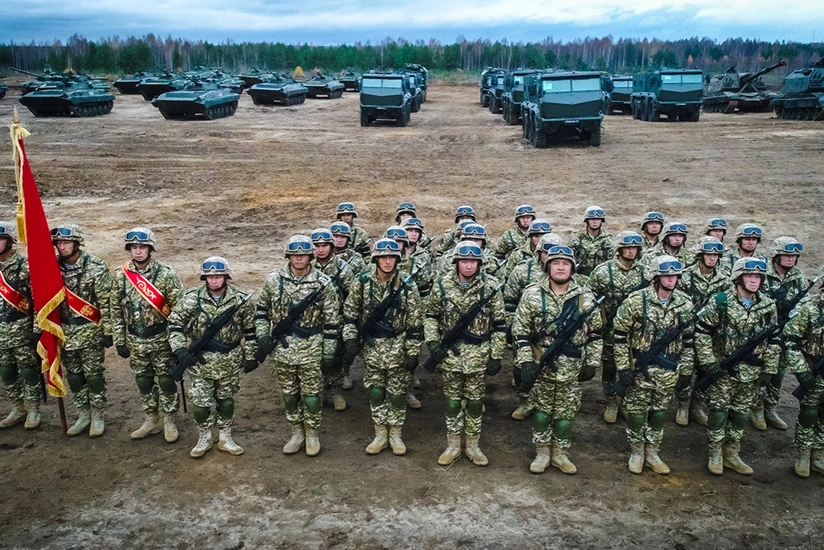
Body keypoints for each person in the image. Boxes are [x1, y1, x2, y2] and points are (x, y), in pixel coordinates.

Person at [511, 245, 602, 474]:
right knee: (541, 412)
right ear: (547, 266)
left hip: (571, 367)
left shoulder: (585, 297)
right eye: (556, 263)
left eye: (566, 263)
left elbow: (596, 334)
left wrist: (592, 362)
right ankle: (542, 453)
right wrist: (526, 361)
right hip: (541, 364)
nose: (561, 267)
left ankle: (560, 454)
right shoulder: (532, 293)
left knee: (565, 415)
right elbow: (520, 331)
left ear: (572, 267)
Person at [255, 236, 340, 456]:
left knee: (312, 394)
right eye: (295, 255)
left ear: (311, 256)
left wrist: (329, 351)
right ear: (289, 256)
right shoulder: (274, 280)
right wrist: (263, 335)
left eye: (303, 254)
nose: (299, 258)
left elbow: (332, 321)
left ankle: (312, 433)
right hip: (282, 349)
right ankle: (296, 433)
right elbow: (262, 311)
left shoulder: (323, 283)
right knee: (290, 394)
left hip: (312, 346)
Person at [694, 258, 779, 475]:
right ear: (738, 277)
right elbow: (702, 333)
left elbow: (775, 340)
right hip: (723, 369)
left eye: (758, 276)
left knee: (741, 413)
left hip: (752, 371)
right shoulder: (720, 301)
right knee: (719, 412)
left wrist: (769, 368)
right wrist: (709, 362)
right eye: (749, 276)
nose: (754, 280)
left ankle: (732, 452)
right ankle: (715, 453)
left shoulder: (768, 305)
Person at [425, 241, 506, 466]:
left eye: (472, 261)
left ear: (478, 263)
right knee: (452, 402)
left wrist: (496, 355)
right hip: (450, 355)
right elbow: (431, 315)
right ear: (457, 262)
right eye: (464, 261)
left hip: (479, 355)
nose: (468, 266)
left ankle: (472, 446)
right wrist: (432, 342)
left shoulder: (491, 286)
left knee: (474, 402)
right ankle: (452, 445)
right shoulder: (442, 284)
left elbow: (499, 324)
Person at [613, 255, 694, 475]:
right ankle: (637, 452)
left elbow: (688, 340)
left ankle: (653, 452)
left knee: (659, 413)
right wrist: (623, 368)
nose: (671, 280)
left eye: (675, 276)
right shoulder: (635, 301)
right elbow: (620, 337)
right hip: (640, 369)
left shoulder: (684, 303)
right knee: (637, 412)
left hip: (668, 370)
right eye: (666, 275)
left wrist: (686, 369)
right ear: (656, 277)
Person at [169, 257, 256, 458]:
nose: (214, 281)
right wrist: (180, 349)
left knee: (226, 401)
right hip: (200, 362)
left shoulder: (240, 300)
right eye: (210, 277)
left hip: (230, 361)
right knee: (200, 405)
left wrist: (251, 355)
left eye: (218, 276)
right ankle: (204, 436)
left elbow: (251, 332)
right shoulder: (191, 298)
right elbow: (175, 325)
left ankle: (225, 437)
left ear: (226, 277)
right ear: (204, 278)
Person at [342, 238, 422, 455]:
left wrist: (413, 351)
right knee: (376, 391)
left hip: (398, 345)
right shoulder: (362, 281)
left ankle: (395, 434)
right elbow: (350, 313)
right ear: (376, 258)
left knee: (397, 392)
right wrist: (350, 338)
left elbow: (415, 322)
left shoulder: (407, 284)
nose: (388, 261)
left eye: (392, 257)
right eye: (384, 257)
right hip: (371, 346)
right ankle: (380, 433)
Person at [111, 228, 184, 442]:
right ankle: (152, 418)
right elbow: (115, 309)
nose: (138, 251)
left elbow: (179, 309)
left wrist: (177, 340)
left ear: (150, 249)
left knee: (166, 380)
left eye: (142, 247)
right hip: (135, 340)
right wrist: (119, 339)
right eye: (133, 247)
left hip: (162, 339)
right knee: (143, 381)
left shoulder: (165, 274)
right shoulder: (121, 275)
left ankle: (169, 419)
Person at [52, 224, 113, 438]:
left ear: (77, 243)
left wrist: (109, 330)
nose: (62, 246)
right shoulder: (51, 268)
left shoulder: (95, 266)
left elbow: (106, 302)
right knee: (75, 376)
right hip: (64, 333)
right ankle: (82, 414)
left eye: (66, 242)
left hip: (90, 331)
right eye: (59, 243)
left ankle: (97, 415)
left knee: (94, 376)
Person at [588, 230, 646, 424]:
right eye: (627, 247)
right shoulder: (603, 271)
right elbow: (590, 299)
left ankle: (627, 402)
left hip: (637, 330)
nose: (631, 251)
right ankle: (611, 401)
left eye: (634, 248)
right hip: (610, 328)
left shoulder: (644, 272)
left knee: (634, 365)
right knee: (610, 365)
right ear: (619, 249)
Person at [505, 233, 562, 421]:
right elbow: (510, 301)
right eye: (547, 252)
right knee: (522, 366)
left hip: (556, 332)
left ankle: (549, 404)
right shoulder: (522, 271)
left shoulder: (565, 272)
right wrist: (511, 326)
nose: (551, 257)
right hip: (526, 329)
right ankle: (525, 401)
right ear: (539, 252)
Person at [753, 237, 807, 431]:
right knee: (761, 369)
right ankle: (757, 408)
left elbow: (804, 300)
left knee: (779, 370)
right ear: (777, 255)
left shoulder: (798, 276)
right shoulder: (762, 273)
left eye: (794, 256)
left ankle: (770, 407)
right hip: (763, 330)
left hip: (786, 331)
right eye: (787, 255)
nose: (791, 259)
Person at [676, 236, 729, 426]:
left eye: (716, 255)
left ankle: (696, 405)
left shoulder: (724, 279)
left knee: (706, 369)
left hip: (711, 333)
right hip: (688, 330)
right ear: (700, 255)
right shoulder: (685, 276)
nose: (713, 258)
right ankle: (682, 404)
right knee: (687, 368)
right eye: (709, 254)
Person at [782, 265, 824, 477]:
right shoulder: (809, 308)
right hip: (813, 371)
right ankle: (803, 455)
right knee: (809, 413)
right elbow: (791, 342)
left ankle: (818, 454)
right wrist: (801, 371)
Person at [0, 222, 42, 430]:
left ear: (9, 240)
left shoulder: (25, 267)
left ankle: (33, 409)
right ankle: (17, 407)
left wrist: (36, 328)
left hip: (22, 329)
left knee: (28, 371)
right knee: (6, 371)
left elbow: (38, 301)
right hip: (0, 331)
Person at [311, 228, 355, 412]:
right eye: (317, 246)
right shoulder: (307, 267)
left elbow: (352, 294)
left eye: (324, 246)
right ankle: (319, 390)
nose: (321, 250)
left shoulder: (342, 267)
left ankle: (336, 391)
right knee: (314, 359)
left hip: (336, 320)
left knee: (335, 357)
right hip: (312, 322)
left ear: (330, 246)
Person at [388, 223, 431, 408]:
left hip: (408, 317)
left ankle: (406, 392)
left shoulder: (416, 263)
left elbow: (424, 291)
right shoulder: (376, 263)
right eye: (393, 241)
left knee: (408, 357)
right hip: (382, 320)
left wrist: (419, 316)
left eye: (400, 242)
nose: (396, 245)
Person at [567, 206, 614, 277]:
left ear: (601, 220)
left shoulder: (608, 239)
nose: (595, 221)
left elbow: (612, 261)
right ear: (587, 220)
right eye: (592, 219)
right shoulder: (576, 237)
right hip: (578, 275)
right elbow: (568, 258)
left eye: (598, 219)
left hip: (601, 276)